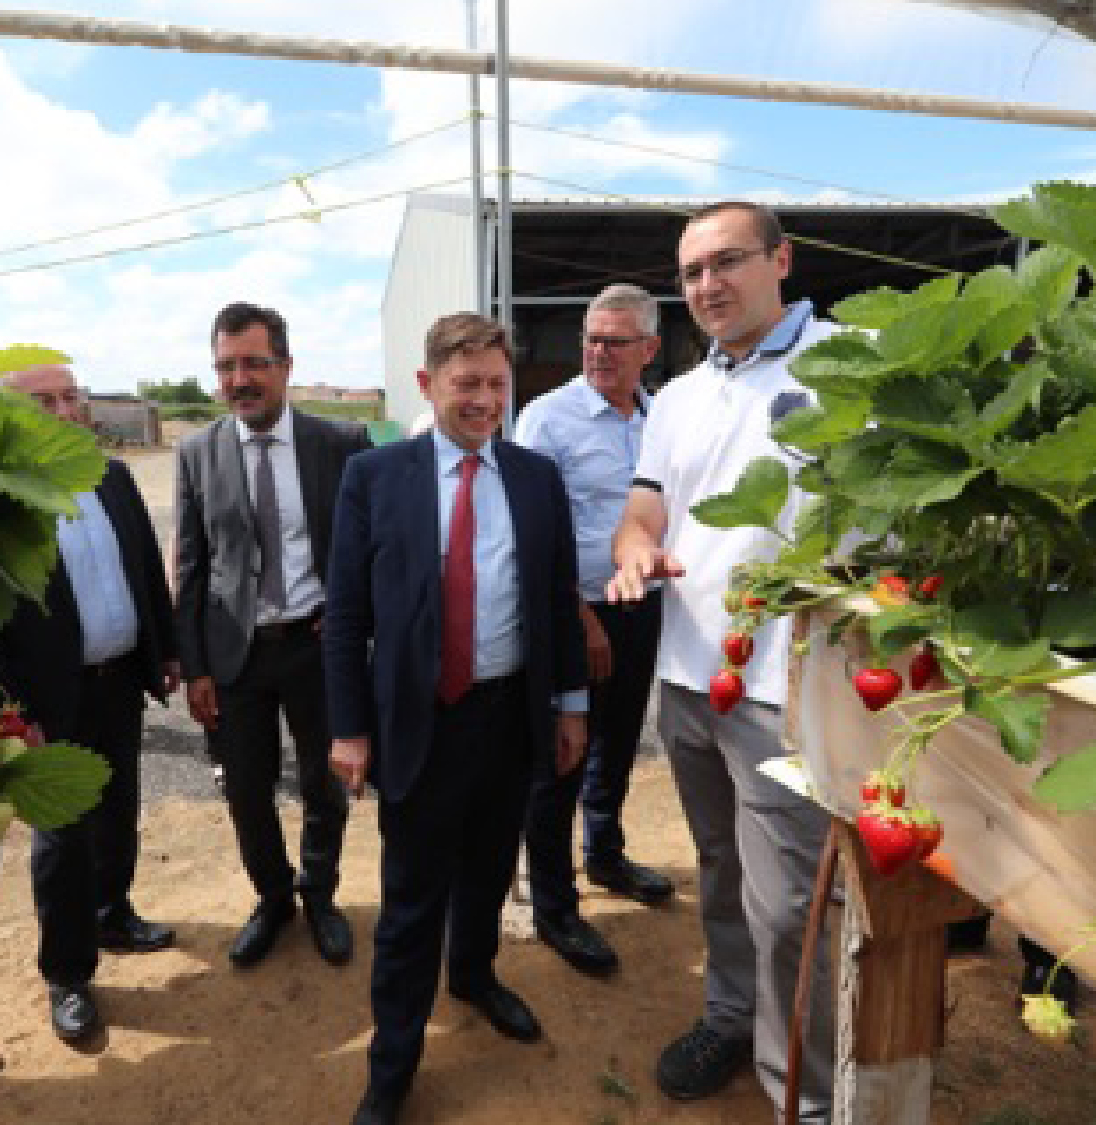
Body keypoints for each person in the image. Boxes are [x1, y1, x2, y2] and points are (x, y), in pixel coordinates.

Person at [607, 202, 841, 1121]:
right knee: (719, 867)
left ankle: (803, 1094)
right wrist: (633, 550)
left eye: (728, 261)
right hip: (689, 677)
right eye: (692, 271)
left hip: (790, 685)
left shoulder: (843, 360)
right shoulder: (676, 397)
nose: (707, 284)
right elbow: (645, 509)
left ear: (781, 259)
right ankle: (729, 1013)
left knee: (790, 903)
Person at [323, 312, 588, 1125]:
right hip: (417, 720)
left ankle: (474, 975)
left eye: (496, 384)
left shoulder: (536, 476)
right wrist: (349, 727)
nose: (483, 400)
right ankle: (392, 1064)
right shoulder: (375, 477)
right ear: (427, 384)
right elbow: (346, 614)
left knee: (486, 867)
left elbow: (556, 599)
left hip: (509, 713)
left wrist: (570, 703)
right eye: (466, 383)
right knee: (410, 899)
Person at [0, 363, 180, 1044]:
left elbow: (146, 573)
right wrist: (10, 710)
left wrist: (166, 651)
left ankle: (112, 910)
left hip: (118, 680)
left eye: (72, 396)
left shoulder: (112, 477)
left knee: (120, 806)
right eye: (43, 400)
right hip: (49, 697)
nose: (64, 409)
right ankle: (68, 972)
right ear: (12, 416)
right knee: (62, 839)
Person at [174, 301, 371, 968]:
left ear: (286, 366)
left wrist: (353, 613)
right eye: (226, 366)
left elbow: (372, 547)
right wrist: (196, 667)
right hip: (237, 653)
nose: (239, 379)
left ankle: (320, 895)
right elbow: (192, 566)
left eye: (254, 362)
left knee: (324, 781)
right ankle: (273, 898)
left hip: (318, 648)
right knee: (246, 788)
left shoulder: (339, 445)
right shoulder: (197, 452)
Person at [515, 283, 674, 979]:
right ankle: (553, 902)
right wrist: (580, 618)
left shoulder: (660, 418)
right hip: (573, 611)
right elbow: (531, 531)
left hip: (644, 604)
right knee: (561, 754)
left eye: (615, 340)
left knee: (618, 738)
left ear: (649, 348)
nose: (598, 352)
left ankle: (604, 852)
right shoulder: (546, 419)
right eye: (591, 338)